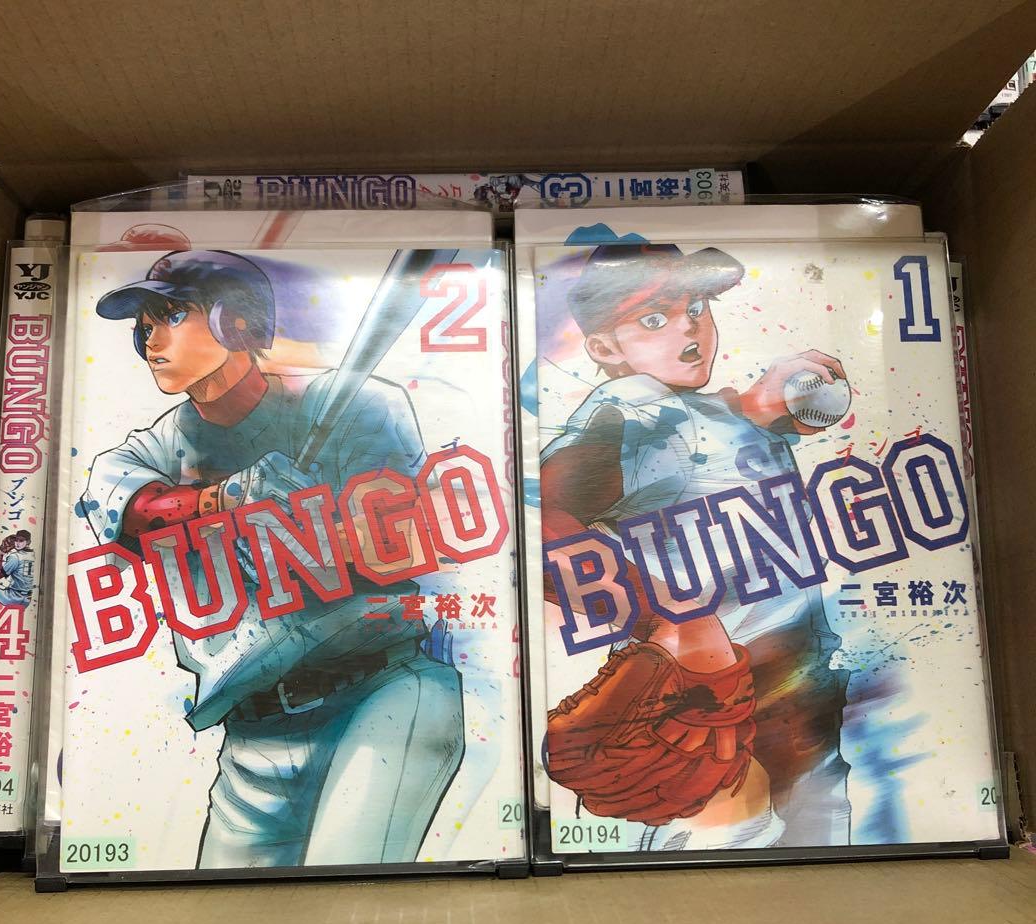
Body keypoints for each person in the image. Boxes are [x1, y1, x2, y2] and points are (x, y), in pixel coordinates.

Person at [84, 249, 464, 869]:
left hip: (379, 693)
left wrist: (315, 520)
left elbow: (401, 546)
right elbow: (132, 510)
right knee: (225, 907)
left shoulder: (361, 406)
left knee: (351, 889)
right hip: (253, 732)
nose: (150, 339)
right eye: (144, 323)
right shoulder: (151, 449)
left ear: (236, 322)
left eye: (172, 315)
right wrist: (227, 499)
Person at [540, 243, 851, 850]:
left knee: (826, 879)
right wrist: (668, 613)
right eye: (654, 318)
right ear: (604, 349)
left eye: (697, 306)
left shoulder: (697, 412)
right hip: (712, 720)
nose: (689, 326)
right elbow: (543, 526)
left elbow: (703, 442)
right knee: (716, 881)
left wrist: (757, 403)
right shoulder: (630, 411)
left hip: (801, 705)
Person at [0, 529, 34, 608]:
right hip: (28, 599)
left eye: (21, 540)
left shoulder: (15, 556)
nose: (17, 543)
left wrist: (2, 554)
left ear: (28, 542)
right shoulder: (33, 555)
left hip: (13, 597)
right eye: (16, 540)